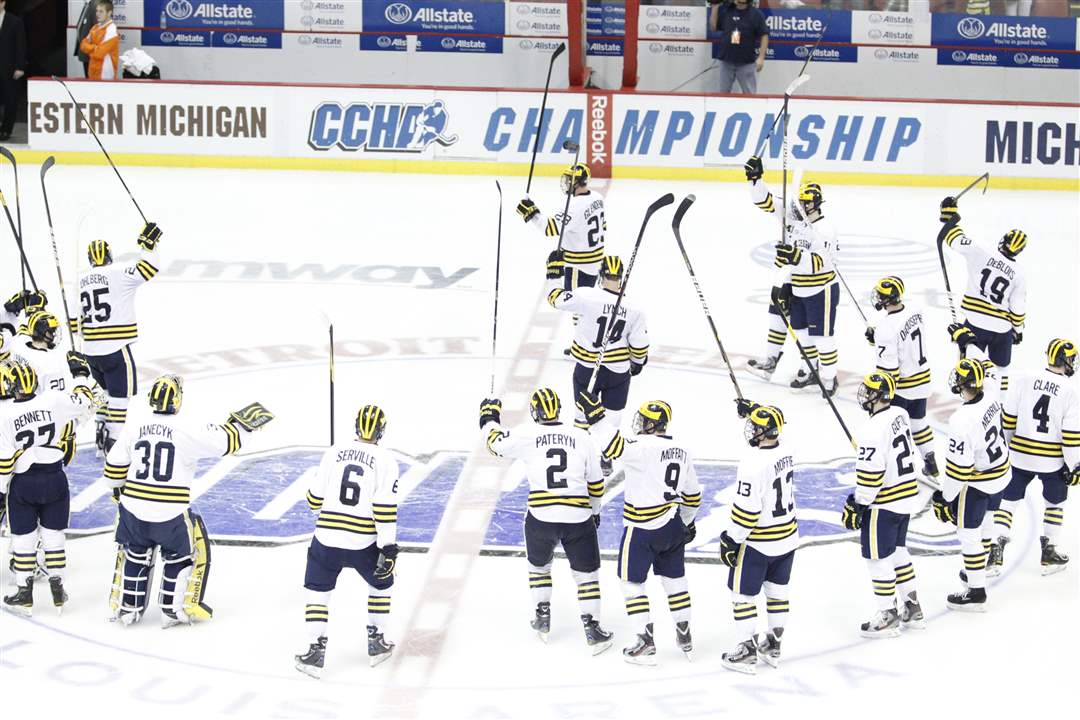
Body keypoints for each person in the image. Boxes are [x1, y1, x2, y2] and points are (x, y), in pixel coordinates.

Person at [104, 376, 272, 627]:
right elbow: (228, 442)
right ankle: (172, 610)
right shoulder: (187, 428)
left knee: (136, 554)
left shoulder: (134, 427)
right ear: (177, 399)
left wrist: (121, 493)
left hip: (133, 510)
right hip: (169, 513)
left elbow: (112, 472)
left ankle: (129, 607)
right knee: (179, 556)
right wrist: (244, 426)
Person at [479, 389, 613, 653]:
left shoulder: (527, 434)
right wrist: (594, 511)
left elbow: (494, 445)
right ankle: (593, 629)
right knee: (586, 577)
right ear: (558, 410)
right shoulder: (581, 436)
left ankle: (542, 617)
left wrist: (489, 417)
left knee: (539, 568)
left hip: (541, 518)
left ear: (534, 412)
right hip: (578, 518)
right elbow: (596, 484)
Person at [585, 394, 699, 665]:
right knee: (675, 581)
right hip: (671, 525)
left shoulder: (640, 446)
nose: (639, 424)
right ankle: (684, 632)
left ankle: (645, 641)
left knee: (631, 583)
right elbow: (692, 495)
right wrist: (687, 521)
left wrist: (595, 416)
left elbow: (612, 445)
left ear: (652, 425)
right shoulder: (682, 450)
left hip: (641, 529)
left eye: (643, 420)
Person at [295, 405, 401, 678]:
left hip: (326, 539)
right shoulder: (386, 461)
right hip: (363, 541)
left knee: (318, 592)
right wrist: (388, 547)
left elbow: (313, 502)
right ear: (381, 430)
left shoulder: (333, 452)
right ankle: (376, 641)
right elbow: (384, 507)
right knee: (382, 583)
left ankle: (314, 652)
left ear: (356, 426)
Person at [0, 358, 96, 615]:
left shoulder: (5, 414)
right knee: (54, 536)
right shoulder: (53, 399)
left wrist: (0, 493)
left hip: (24, 482)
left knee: (23, 539)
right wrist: (80, 374)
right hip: (55, 477)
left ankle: (24, 592)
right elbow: (86, 400)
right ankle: (58, 588)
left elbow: (4, 462)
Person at [743, 156, 840, 396]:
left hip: (820, 288)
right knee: (800, 331)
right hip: (792, 283)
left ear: (817, 204)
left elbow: (820, 263)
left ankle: (829, 379)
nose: (802, 206)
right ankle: (806, 369)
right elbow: (764, 202)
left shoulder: (825, 229)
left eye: (807, 202)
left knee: (822, 337)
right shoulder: (792, 215)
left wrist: (795, 256)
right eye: (801, 201)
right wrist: (756, 180)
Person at [546, 254, 649, 476]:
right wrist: (638, 363)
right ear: (621, 278)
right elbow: (639, 346)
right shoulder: (634, 307)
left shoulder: (586, 295)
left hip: (586, 366)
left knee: (582, 416)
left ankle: (577, 459)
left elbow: (555, 299)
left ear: (601, 276)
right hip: (618, 372)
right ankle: (606, 457)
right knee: (611, 418)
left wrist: (554, 275)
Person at [842, 373, 926, 639]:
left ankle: (887, 614)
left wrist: (858, 503)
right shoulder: (900, 413)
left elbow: (871, 476)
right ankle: (912, 607)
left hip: (885, 502)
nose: (865, 396)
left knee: (877, 558)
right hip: (907, 496)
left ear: (878, 397)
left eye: (869, 392)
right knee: (898, 551)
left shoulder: (871, 430)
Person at [719, 402, 797, 674]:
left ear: (765, 432)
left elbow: (747, 510)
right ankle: (773, 644)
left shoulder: (752, 464)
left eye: (755, 427)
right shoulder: (787, 449)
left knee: (742, 595)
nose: (750, 429)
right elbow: (777, 429)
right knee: (777, 593)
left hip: (758, 542)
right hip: (787, 537)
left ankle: (746, 649)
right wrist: (755, 409)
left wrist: (732, 539)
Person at [992, 339, 1080, 575]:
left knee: (1007, 502)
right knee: (1055, 502)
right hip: (1052, 460)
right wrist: (1075, 466)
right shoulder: (1071, 391)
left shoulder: (1024, 378)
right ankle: (1049, 550)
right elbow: (1070, 436)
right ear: (1065, 360)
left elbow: (1008, 418)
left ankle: (996, 547)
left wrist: (1006, 450)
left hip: (1019, 455)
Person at [75, 223, 162, 453]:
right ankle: (114, 441)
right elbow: (149, 269)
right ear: (110, 256)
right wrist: (148, 248)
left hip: (90, 351)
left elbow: (76, 322)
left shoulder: (81, 280)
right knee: (119, 398)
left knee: (104, 394)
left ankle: (100, 428)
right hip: (115, 348)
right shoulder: (119, 273)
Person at [932, 358, 1010, 612]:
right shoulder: (992, 393)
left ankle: (976, 591)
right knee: (988, 521)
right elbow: (992, 369)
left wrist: (946, 497)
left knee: (968, 534)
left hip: (979, 482)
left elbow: (959, 471)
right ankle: (980, 568)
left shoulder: (961, 420)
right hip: (1002, 474)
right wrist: (969, 340)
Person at [939, 196, 1027, 393]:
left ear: (1002, 241)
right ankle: (1001, 405)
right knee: (1001, 370)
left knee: (968, 368)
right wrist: (1018, 331)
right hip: (1002, 329)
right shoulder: (1020, 273)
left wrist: (949, 215)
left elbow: (954, 238)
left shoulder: (982, 251)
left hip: (975, 323)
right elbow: (1018, 310)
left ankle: (971, 401)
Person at [866, 277, 938, 477]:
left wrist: (880, 397)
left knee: (893, 428)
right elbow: (904, 340)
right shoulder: (915, 310)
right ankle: (930, 459)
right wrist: (878, 339)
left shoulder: (886, 328)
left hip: (902, 387)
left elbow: (889, 372)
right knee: (918, 423)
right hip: (922, 380)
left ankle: (897, 468)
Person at [517, 163, 606, 292]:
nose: (567, 182)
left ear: (576, 182)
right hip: (595, 263)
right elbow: (604, 226)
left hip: (578, 266)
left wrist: (532, 213)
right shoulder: (597, 197)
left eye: (569, 179)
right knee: (586, 304)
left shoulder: (574, 206)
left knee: (577, 306)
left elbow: (550, 228)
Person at [710, 0, 769, 95]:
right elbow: (713, 27)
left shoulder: (756, 14)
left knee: (750, 94)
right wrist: (715, 7)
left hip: (746, 63)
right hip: (726, 61)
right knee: (722, 94)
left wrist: (761, 58)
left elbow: (764, 35)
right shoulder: (727, 11)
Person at [0, 0, 27, 142]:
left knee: (10, 100)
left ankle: (6, 130)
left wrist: (20, 67)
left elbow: (20, 45)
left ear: (3, 3)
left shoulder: (14, 22)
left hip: (9, 67)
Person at [78, 0, 120, 81]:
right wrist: (95, 47)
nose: (97, 14)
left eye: (101, 11)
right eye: (97, 11)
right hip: (92, 72)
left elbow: (99, 53)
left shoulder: (111, 30)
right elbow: (83, 45)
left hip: (106, 75)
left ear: (109, 13)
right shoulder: (95, 27)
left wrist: (90, 48)